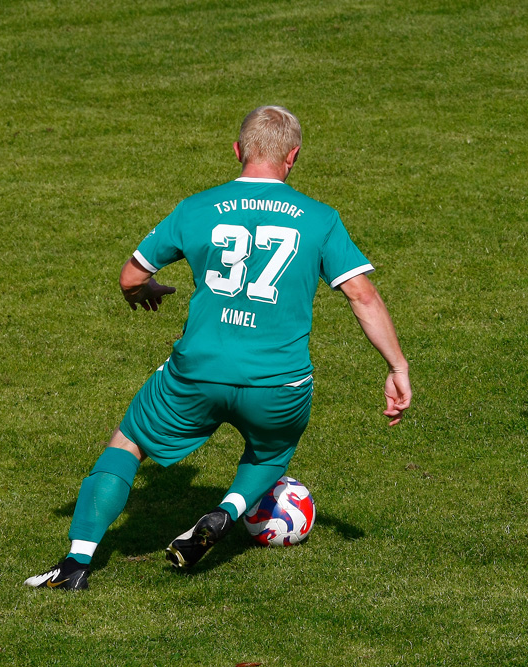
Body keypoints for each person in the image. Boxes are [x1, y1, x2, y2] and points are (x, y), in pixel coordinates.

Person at [26, 106, 412, 590]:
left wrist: (141, 294)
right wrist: (397, 365)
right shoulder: (321, 219)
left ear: (237, 151)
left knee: (128, 442)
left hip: (197, 374)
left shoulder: (198, 208)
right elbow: (363, 296)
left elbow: (131, 276)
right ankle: (227, 510)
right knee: (270, 453)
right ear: (293, 157)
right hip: (278, 384)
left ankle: (77, 563)